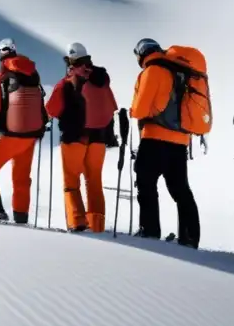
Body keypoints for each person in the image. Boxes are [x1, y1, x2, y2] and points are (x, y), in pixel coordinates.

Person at [128, 38, 201, 248]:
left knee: (146, 183)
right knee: (180, 189)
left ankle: (150, 230)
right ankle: (190, 237)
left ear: (142, 53)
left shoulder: (152, 71)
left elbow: (141, 109)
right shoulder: (179, 71)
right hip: (180, 141)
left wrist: (133, 111)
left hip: (155, 137)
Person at [46, 42, 118, 232]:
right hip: (99, 138)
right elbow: (112, 107)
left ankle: (77, 221)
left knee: (71, 181)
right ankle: (97, 224)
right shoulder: (101, 79)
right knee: (94, 181)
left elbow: (51, 109)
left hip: (74, 138)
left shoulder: (68, 82)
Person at [0, 38, 48, 222]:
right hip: (31, 136)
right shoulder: (33, 74)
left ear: (1, 54)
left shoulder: (1, 77)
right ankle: (21, 217)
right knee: (22, 178)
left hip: (9, 135)